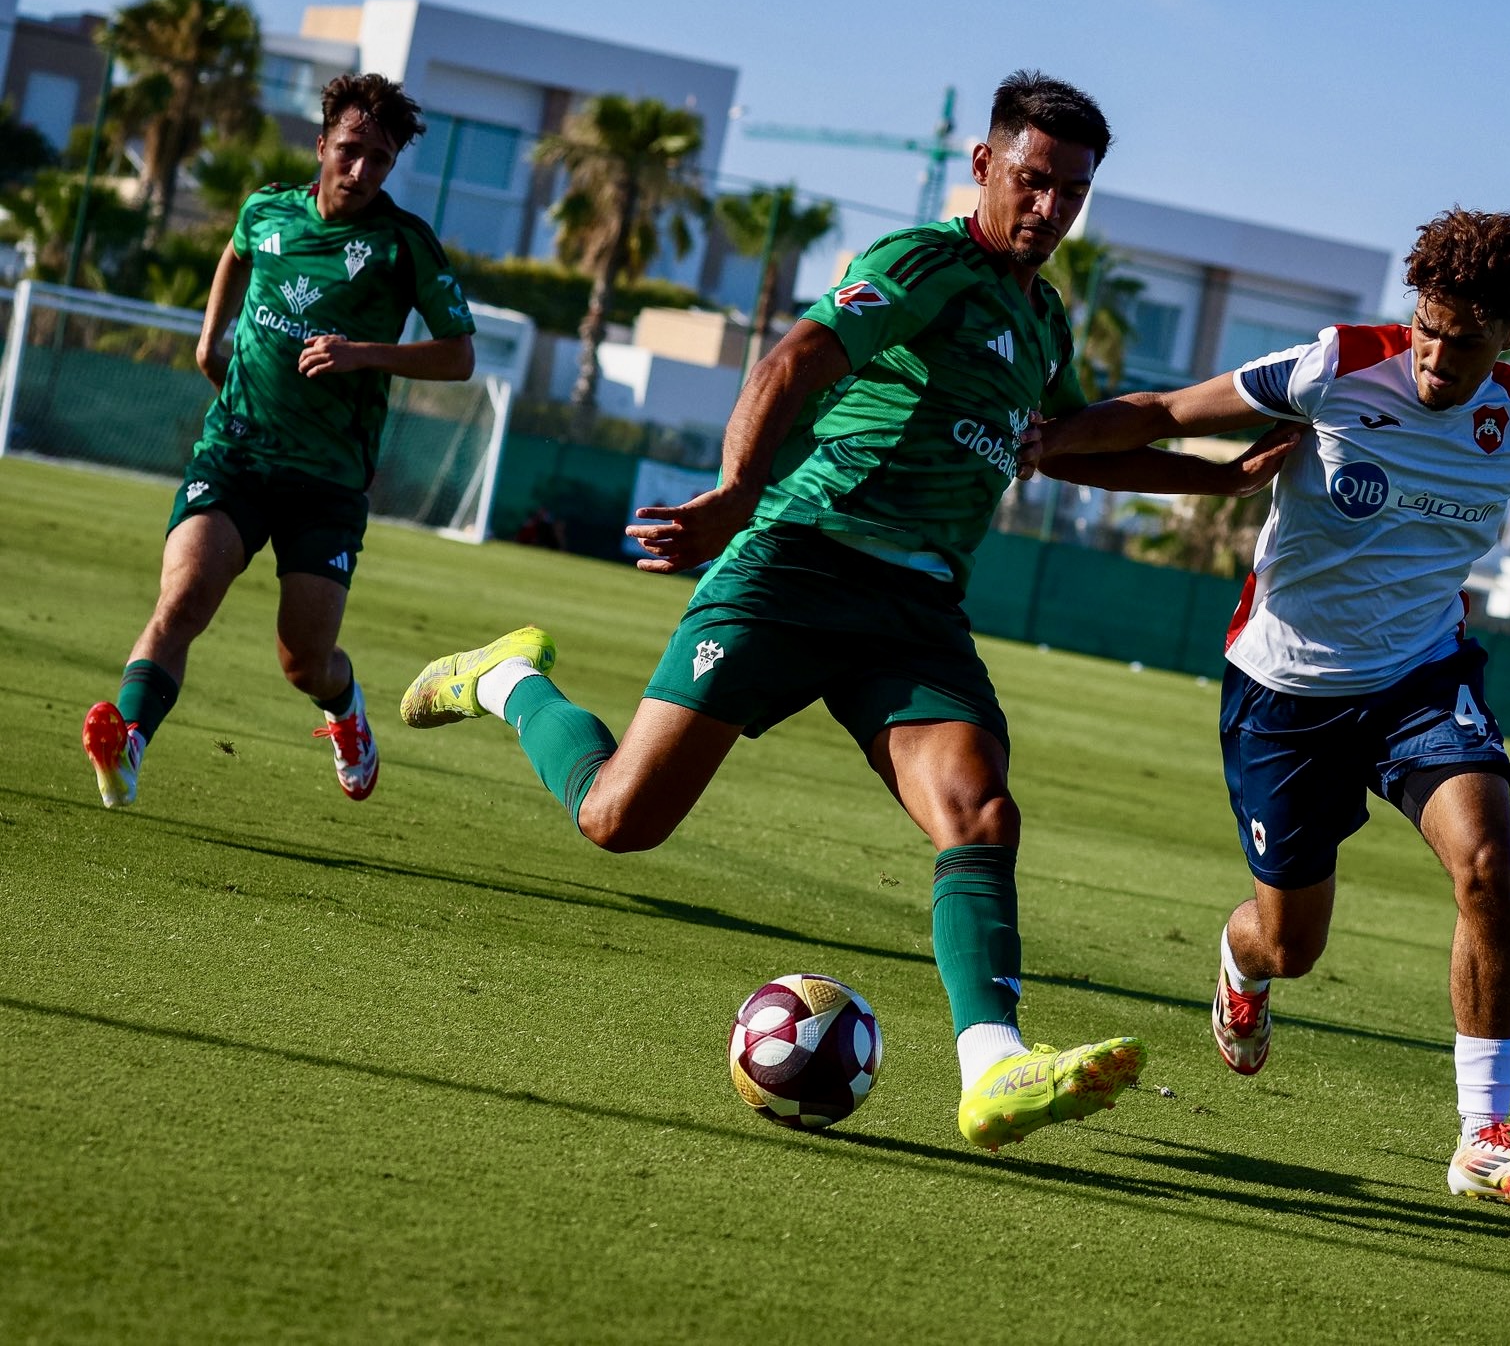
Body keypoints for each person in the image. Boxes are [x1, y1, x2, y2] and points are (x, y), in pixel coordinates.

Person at [398, 73, 1283, 1151]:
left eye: (1073, 192)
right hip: (800, 562)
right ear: (984, 166)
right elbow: (796, 357)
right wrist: (735, 492)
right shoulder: (922, 263)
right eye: (1034, 179)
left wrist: (1225, 478)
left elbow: (1063, 445)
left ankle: (993, 1066)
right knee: (619, 821)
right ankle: (504, 678)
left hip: (915, 609)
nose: (1051, 207)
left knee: (980, 813)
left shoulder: (1043, 320)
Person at [1037, 208, 1510, 1205]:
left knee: (1486, 862)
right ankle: (1242, 965)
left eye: (1463, 343)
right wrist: (1047, 441)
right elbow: (1165, 412)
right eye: (1426, 329)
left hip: (1419, 677)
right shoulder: (1334, 365)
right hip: (1285, 690)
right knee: (1291, 945)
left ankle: (1482, 1133)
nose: (1434, 359)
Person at [81, 73, 475, 809]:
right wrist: (210, 340)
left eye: (380, 159)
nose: (362, 170)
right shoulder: (267, 210)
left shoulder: (403, 246)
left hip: (327, 482)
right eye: (351, 150)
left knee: (304, 663)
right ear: (322, 144)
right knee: (182, 601)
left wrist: (362, 354)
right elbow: (237, 252)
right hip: (235, 453)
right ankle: (127, 744)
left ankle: (345, 709)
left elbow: (459, 356)